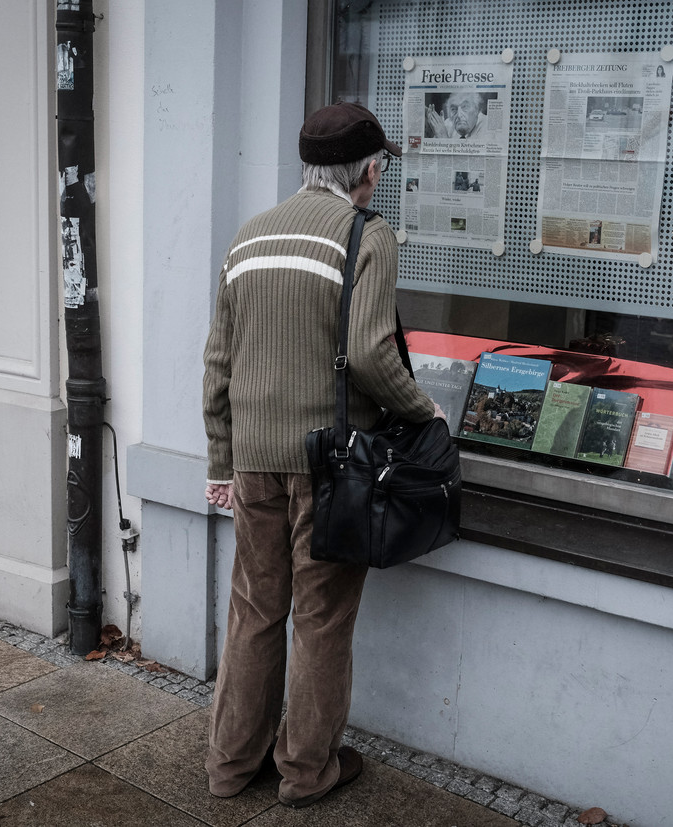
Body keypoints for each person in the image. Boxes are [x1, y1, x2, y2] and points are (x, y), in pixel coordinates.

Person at [201, 101, 440, 809]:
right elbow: (370, 352)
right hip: (331, 468)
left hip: (254, 460)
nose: (379, 177)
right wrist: (424, 412)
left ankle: (229, 765)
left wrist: (221, 461)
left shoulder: (249, 235)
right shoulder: (368, 234)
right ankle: (306, 773)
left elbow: (218, 363)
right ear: (367, 171)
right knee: (322, 618)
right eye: (380, 166)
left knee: (254, 610)